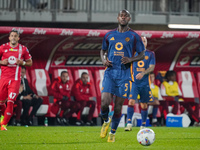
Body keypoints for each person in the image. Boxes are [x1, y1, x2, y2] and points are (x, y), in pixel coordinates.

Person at [100, 9, 145, 142]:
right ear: (117, 18)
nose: (123, 17)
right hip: (110, 72)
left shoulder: (134, 36)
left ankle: (112, 133)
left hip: (125, 74)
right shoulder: (109, 35)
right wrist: (103, 60)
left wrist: (131, 59)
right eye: (121, 15)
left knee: (118, 106)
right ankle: (105, 120)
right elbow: (103, 49)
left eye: (126, 16)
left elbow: (142, 53)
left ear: (129, 19)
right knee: (104, 103)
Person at [0, 29, 32, 130]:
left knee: (10, 101)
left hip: (15, 80)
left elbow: (30, 62)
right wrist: (1, 62)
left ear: (18, 38)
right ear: (9, 37)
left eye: (15, 36)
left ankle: (3, 124)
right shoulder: (3, 47)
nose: (13, 37)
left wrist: (22, 63)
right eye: (12, 36)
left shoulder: (23, 49)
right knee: (1, 102)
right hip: (3, 79)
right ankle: (3, 116)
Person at [124, 36, 155, 131]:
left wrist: (143, 73)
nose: (142, 42)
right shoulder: (132, 53)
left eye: (144, 41)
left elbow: (152, 67)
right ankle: (129, 124)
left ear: (146, 43)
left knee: (144, 104)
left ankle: (143, 125)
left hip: (145, 83)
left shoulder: (151, 54)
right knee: (131, 101)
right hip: (134, 83)